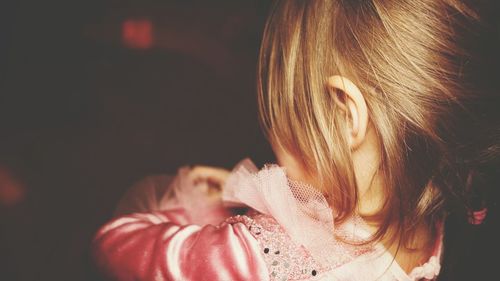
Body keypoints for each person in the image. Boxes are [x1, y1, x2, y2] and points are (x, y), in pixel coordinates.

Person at [92, 0, 494, 280]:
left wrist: (206, 209)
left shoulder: (261, 256)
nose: (274, 143)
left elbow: (114, 247)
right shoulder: (431, 216)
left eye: (284, 118)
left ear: (344, 114)